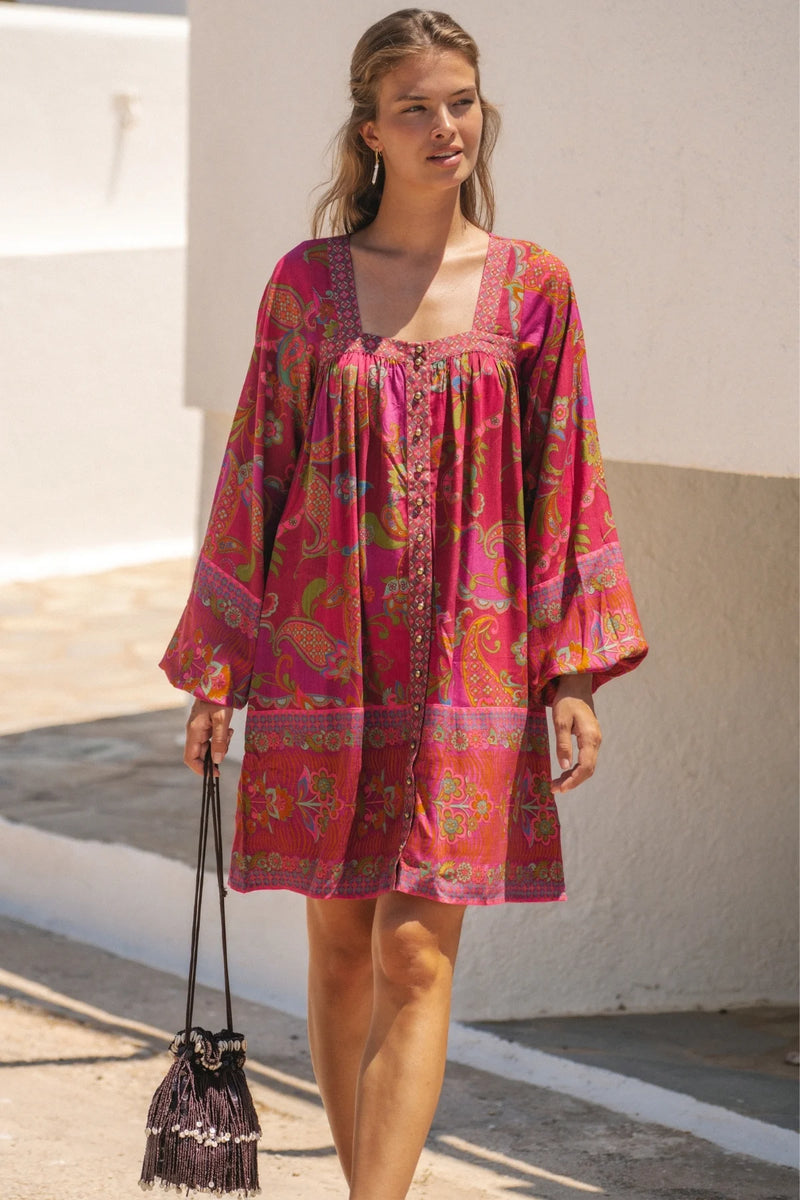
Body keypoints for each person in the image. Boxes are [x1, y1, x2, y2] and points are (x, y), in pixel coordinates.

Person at [160, 9, 648, 1198]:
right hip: (321, 661)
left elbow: (562, 481)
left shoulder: (533, 289)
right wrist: (218, 672)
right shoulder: (304, 288)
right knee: (339, 948)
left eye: (461, 101)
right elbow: (254, 477)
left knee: (417, 955)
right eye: (415, 107)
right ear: (369, 130)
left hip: (470, 671)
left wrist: (570, 674)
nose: (445, 126)